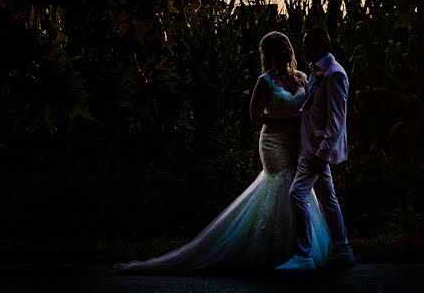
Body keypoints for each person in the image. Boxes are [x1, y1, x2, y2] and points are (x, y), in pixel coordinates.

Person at [113, 31, 331, 274]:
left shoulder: (302, 78)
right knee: (280, 185)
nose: (284, 53)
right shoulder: (265, 81)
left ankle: (299, 250)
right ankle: (273, 250)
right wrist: (291, 119)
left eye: (285, 48)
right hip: (274, 143)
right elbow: (256, 116)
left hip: (297, 143)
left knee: (298, 189)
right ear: (269, 54)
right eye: (277, 50)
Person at [275, 25, 355, 272]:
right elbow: (311, 109)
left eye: (308, 43)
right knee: (327, 197)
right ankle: (343, 249)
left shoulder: (334, 74)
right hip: (309, 145)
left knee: (297, 194)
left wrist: (322, 154)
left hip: (316, 149)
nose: (304, 48)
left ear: (320, 45)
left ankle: (304, 255)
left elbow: (336, 120)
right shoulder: (318, 72)